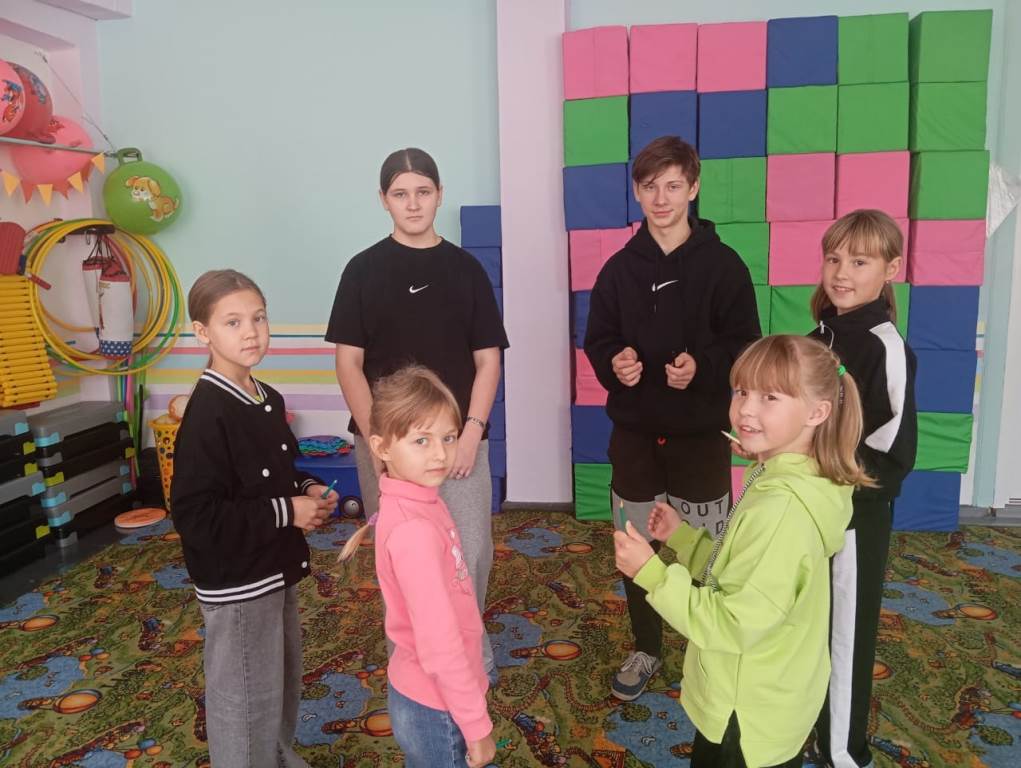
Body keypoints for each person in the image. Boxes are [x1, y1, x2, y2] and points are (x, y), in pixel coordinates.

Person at [614, 334, 866, 767]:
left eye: (770, 397)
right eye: (741, 391)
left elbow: (729, 625)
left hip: (745, 711)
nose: (746, 409)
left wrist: (651, 572)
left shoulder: (781, 510)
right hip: (768, 694)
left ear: (817, 412)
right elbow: (737, 571)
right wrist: (683, 538)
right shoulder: (795, 476)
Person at [584, 135, 761, 700]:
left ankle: (708, 646)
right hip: (635, 438)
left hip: (699, 439)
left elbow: (746, 344)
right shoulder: (618, 270)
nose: (661, 199)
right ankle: (647, 646)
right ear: (637, 192)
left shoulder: (725, 267)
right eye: (650, 187)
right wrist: (616, 363)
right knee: (636, 548)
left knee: (706, 550)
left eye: (673, 186)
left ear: (694, 187)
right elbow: (598, 340)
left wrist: (703, 367)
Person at [327, 147, 508, 681]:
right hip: (387, 445)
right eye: (401, 194)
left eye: (423, 192)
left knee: (468, 552)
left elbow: (488, 360)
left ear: (439, 195)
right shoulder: (362, 270)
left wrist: (471, 433)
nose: (413, 204)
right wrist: (379, 443)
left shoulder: (465, 270)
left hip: (458, 440)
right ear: (384, 200)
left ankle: (468, 657)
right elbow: (348, 363)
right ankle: (413, 666)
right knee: (405, 559)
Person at [171, 269, 337, 768]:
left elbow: (274, 474)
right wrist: (289, 511)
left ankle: (276, 757)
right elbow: (196, 515)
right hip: (238, 581)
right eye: (233, 322)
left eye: (258, 318)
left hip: (275, 566)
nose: (251, 332)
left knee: (279, 681)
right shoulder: (208, 412)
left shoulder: (267, 398)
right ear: (203, 333)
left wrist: (305, 489)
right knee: (244, 696)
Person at [807, 210, 918, 768]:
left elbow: (892, 451)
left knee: (844, 634)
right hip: (807, 509)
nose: (841, 273)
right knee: (808, 623)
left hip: (854, 518)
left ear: (890, 269)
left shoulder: (884, 346)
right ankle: (809, 726)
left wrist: (835, 483)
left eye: (859, 261)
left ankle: (843, 752)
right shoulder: (816, 337)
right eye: (834, 259)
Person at [367, 365, 495, 768]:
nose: (440, 453)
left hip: (430, 693)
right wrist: (477, 726)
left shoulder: (418, 500)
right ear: (382, 448)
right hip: (436, 707)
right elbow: (439, 644)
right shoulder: (414, 530)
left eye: (448, 437)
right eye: (421, 440)